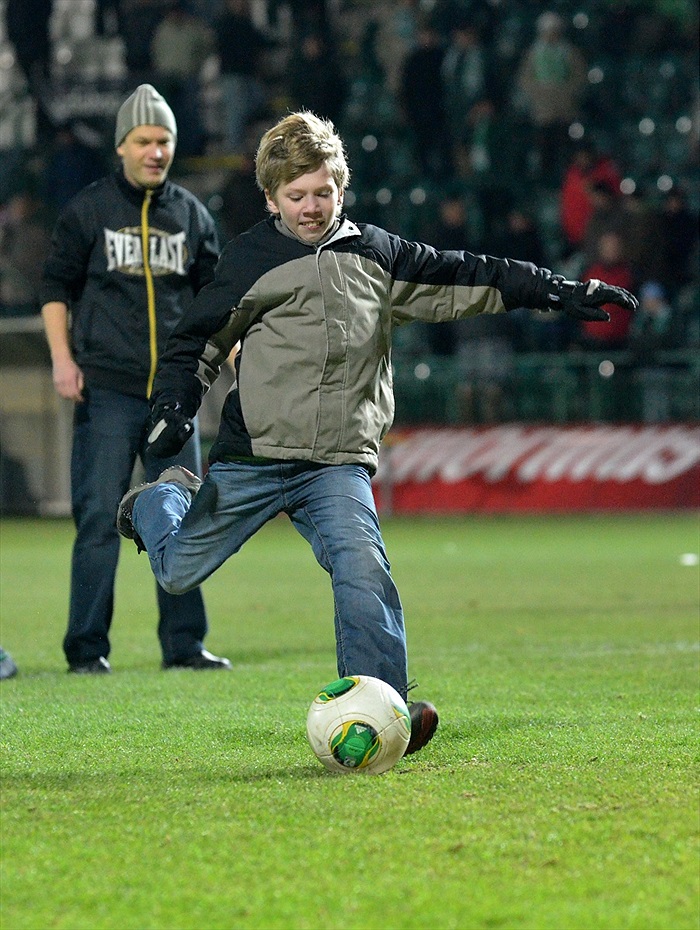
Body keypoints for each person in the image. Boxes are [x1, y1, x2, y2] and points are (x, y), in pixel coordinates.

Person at [115, 111, 637, 756]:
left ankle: (385, 707)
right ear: (272, 198)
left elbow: (466, 273)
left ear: (342, 186)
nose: (311, 207)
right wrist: (175, 403)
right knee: (177, 572)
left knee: (363, 568)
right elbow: (198, 339)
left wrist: (553, 290)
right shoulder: (250, 258)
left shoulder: (378, 255)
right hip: (255, 457)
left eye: (323, 192)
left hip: (337, 462)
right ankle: (158, 500)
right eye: (296, 196)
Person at [40, 84, 230, 675]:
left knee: (183, 515)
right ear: (121, 145)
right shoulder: (89, 211)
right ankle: (87, 651)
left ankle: (184, 645)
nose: (156, 150)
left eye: (164, 140)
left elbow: (216, 297)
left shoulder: (191, 215)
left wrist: (226, 352)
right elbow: (54, 288)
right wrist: (62, 359)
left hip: (175, 395)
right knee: (98, 517)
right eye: (144, 140)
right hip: (108, 389)